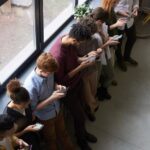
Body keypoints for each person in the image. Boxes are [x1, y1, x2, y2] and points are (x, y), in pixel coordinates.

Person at [50, 23, 98, 150]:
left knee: (82, 109)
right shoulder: (58, 55)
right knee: (79, 116)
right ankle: (81, 141)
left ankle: (83, 133)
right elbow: (62, 80)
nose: (79, 45)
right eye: (79, 43)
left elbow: (75, 58)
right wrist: (81, 67)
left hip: (77, 83)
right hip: (68, 90)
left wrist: (84, 58)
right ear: (74, 39)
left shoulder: (68, 40)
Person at [24, 52, 75, 150]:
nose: (52, 74)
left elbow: (52, 82)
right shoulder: (30, 86)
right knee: (51, 140)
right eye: (50, 73)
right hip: (45, 117)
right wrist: (52, 98)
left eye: (52, 73)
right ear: (41, 70)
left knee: (64, 133)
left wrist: (57, 86)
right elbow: (34, 109)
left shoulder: (49, 71)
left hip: (57, 109)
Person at [91, 7, 119, 100]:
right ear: (98, 20)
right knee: (98, 78)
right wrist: (108, 43)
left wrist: (109, 38)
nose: (103, 23)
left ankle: (103, 90)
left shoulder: (101, 26)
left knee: (110, 74)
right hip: (98, 58)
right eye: (102, 22)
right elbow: (96, 51)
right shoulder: (92, 33)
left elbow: (105, 37)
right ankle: (101, 92)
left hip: (105, 53)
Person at [4, 79, 40, 150]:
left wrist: (32, 117)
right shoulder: (8, 116)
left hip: (34, 137)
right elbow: (11, 136)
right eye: (24, 105)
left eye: (28, 103)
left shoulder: (25, 100)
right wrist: (26, 130)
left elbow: (29, 116)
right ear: (15, 102)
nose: (27, 107)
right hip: (24, 143)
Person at [114, 0, 139, 71]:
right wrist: (120, 13)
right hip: (118, 20)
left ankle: (126, 57)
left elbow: (135, 1)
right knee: (118, 43)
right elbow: (110, 6)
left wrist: (135, 8)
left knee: (132, 38)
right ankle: (120, 60)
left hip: (130, 20)